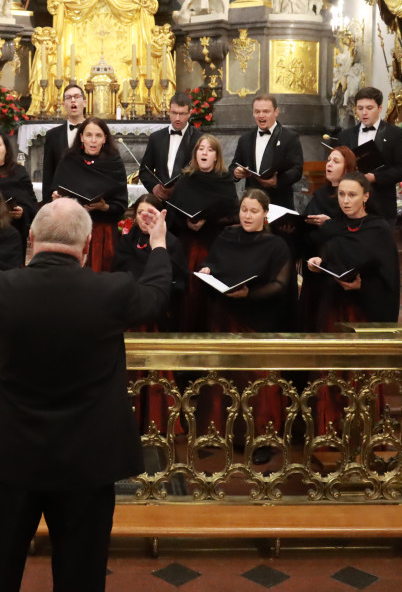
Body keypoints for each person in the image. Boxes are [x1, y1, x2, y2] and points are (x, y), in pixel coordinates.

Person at [0, 197, 172, 592]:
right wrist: (160, 243)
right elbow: (156, 293)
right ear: (86, 247)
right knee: (81, 574)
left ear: (30, 239)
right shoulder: (112, 291)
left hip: (10, 455)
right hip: (88, 459)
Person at [198, 190, 294, 462]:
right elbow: (211, 260)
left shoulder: (276, 246)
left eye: (253, 211)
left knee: (257, 380)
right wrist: (205, 268)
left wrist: (249, 294)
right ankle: (216, 432)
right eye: (243, 210)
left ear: (266, 214)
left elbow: (279, 285)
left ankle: (260, 439)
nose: (247, 216)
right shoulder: (226, 236)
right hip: (224, 315)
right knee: (220, 375)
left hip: (258, 320)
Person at [113, 194, 188, 435]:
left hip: (159, 313)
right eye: (140, 213)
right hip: (131, 311)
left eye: (150, 213)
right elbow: (118, 270)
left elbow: (180, 282)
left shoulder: (173, 243)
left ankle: (156, 417)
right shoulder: (127, 240)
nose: (144, 218)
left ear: (160, 215)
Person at [306, 172, 400, 329]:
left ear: (365, 196)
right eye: (341, 194)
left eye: (352, 195)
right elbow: (331, 256)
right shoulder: (333, 225)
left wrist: (362, 286)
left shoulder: (378, 229)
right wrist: (319, 263)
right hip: (332, 303)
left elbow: (388, 278)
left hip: (364, 309)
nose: (345, 200)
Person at [166, 134, 238, 329]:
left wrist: (209, 219)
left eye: (209, 149)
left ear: (216, 156)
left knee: (210, 296)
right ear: (195, 154)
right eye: (201, 149)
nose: (204, 153)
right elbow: (172, 214)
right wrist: (186, 223)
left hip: (215, 244)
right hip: (187, 244)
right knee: (188, 291)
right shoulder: (184, 180)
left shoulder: (225, 181)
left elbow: (234, 216)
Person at [50, 117, 128, 271]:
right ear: (81, 137)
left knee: (99, 280)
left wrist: (104, 207)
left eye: (98, 136)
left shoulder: (114, 163)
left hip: (102, 231)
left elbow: (121, 205)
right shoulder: (69, 160)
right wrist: (56, 199)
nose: (93, 140)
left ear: (105, 139)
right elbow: (55, 191)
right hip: (72, 230)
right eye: (88, 135)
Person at [300, 146, 358, 328]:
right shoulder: (320, 195)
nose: (329, 164)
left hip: (336, 265)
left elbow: (356, 228)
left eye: (336, 161)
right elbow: (305, 224)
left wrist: (330, 223)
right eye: (329, 160)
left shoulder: (352, 200)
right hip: (314, 263)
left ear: (347, 169)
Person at [334, 87, 402, 221]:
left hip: (382, 203)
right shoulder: (345, 136)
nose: (364, 113)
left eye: (369, 108)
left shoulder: (395, 134)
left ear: (380, 108)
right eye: (360, 108)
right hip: (351, 205)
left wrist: (375, 177)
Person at [231, 93, 303, 210]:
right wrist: (236, 172)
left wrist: (277, 181)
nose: (261, 115)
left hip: (279, 202)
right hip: (252, 203)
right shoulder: (245, 139)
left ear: (276, 112)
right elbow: (234, 165)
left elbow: (297, 170)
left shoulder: (289, 137)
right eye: (257, 112)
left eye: (266, 111)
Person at [139, 92, 200, 201]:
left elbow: (202, 174)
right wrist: (154, 187)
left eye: (182, 114)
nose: (177, 118)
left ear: (189, 113)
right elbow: (145, 171)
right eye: (174, 113)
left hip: (187, 201)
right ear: (168, 111)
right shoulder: (156, 138)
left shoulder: (199, 139)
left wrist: (178, 189)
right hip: (160, 202)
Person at [40, 83, 86, 204]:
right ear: (63, 105)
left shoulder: (95, 132)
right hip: (61, 200)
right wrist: (47, 203)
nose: (73, 101)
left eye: (77, 96)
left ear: (85, 102)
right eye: (68, 98)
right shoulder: (53, 135)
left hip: (89, 200)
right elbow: (48, 172)